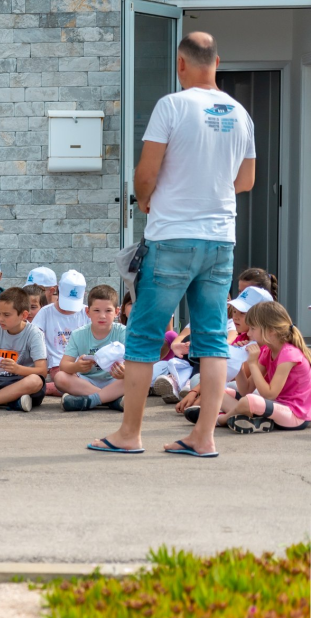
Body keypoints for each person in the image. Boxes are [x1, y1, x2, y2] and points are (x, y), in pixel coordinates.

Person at [94, 33, 256, 456]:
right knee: (213, 340)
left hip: (172, 237)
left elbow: (146, 172)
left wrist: (148, 200)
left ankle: (129, 435)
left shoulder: (172, 105)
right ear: (217, 62)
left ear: (181, 65)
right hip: (220, 239)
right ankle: (203, 438)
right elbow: (246, 181)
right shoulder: (241, 114)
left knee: (144, 337)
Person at [191, 302, 309, 434]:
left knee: (249, 401)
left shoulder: (288, 354)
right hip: (275, 407)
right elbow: (246, 389)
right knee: (219, 391)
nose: (249, 334)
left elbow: (270, 393)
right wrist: (239, 362)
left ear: (270, 331)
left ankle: (221, 419)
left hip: (295, 415)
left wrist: (252, 364)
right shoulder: (267, 352)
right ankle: (247, 418)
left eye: (253, 328)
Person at [175, 285, 272, 414]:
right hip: (242, 390)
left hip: (261, 394)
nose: (235, 317)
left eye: (242, 313)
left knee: (225, 386)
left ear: (261, 318)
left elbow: (233, 380)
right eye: (235, 311)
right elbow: (227, 372)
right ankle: (224, 410)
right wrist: (194, 391)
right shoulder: (241, 337)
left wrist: (199, 396)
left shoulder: (265, 345)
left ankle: (223, 412)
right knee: (198, 379)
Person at [56, 285, 127, 412]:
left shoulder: (123, 332)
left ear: (116, 312)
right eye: (97, 310)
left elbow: (133, 363)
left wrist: (124, 371)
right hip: (87, 382)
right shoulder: (78, 334)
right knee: (60, 377)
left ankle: (90, 400)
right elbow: (64, 366)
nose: (102, 316)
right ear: (87, 312)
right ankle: (111, 400)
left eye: (108, 311)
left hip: (114, 381)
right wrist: (77, 367)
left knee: (135, 377)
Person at [32, 270, 89, 396]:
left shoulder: (86, 312)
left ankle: (50, 388)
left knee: (87, 378)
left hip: (85, 363)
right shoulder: (46, 312)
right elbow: (33, 336)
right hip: (58, 364)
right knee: (62, 378)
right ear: (58, 289)